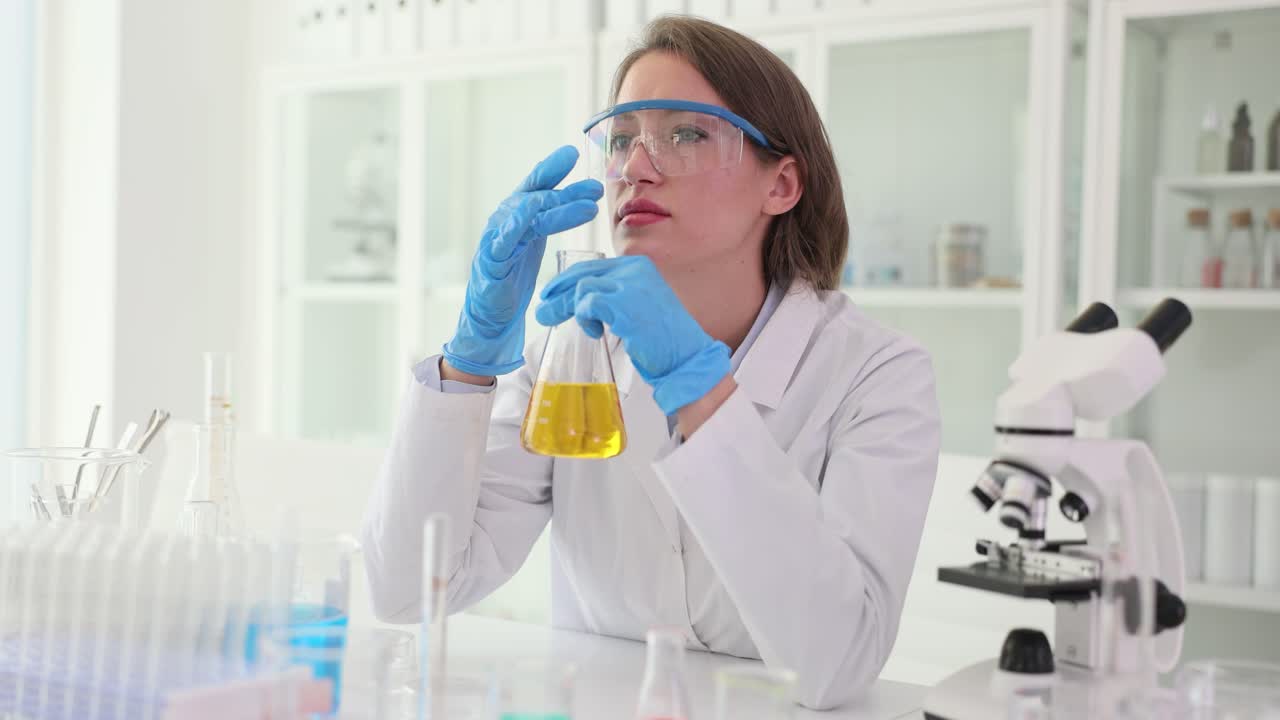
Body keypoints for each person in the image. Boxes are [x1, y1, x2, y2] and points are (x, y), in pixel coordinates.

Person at [361, 15, 940, 709]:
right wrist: (470, 360)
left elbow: (836, 666)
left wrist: (701, 393)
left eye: (685, 134)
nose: (635, 166)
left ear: (781, 185)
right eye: (622, 140)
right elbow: (409, 589)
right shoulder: (569, 343)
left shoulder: (875, 374)